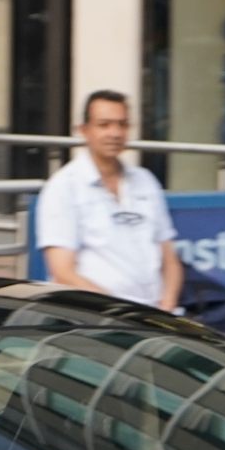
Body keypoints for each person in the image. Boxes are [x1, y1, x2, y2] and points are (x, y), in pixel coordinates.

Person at [37, 89, 183, 314]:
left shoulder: (145, 181)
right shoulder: (63, 188)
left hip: (157, 317)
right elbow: (63, 273)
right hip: (94, 319)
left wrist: (167, 305)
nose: (114, 133)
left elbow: (169, 259)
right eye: (104, 125)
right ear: (84, 130)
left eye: (122, 125)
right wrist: (118, 312)